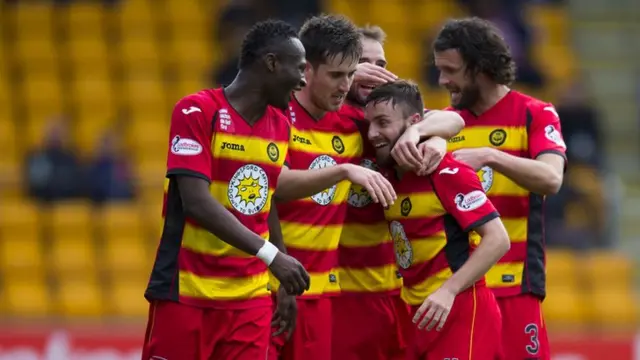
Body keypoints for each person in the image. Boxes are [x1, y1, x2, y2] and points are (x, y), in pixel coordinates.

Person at [393, 18, 567, 360]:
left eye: (451, 70)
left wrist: (491, 156)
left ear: (481, 67)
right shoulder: (443, 122)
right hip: (461, 294)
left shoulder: (535, 114)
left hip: (516, 285)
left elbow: (551, 179)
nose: (442, 80)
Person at [141, 19, 312, 360]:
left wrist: (282, 283)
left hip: (249, 299)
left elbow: (267, 200)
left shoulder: (280, 124)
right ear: (272, 63)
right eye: (299, 67)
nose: (303, 79)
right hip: (187, 292)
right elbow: (197, 203)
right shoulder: (197, 111)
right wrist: (273, 256)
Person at [332, 26, 465, 360]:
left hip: (396, 292)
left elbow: (453, 120)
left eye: (381, 62)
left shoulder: (388, 123)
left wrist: (425, 134)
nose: (374, 72)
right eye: (362, 62)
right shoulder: (325, 119)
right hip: (339, 292)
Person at [366, 80, 511, 360]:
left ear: (415, 123)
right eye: (369, 124)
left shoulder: (446, 171)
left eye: (382, 122)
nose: (372, 133)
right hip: (417, 312)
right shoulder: (388, 176)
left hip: (459, 307)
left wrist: (448, 291)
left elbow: (498, 239)